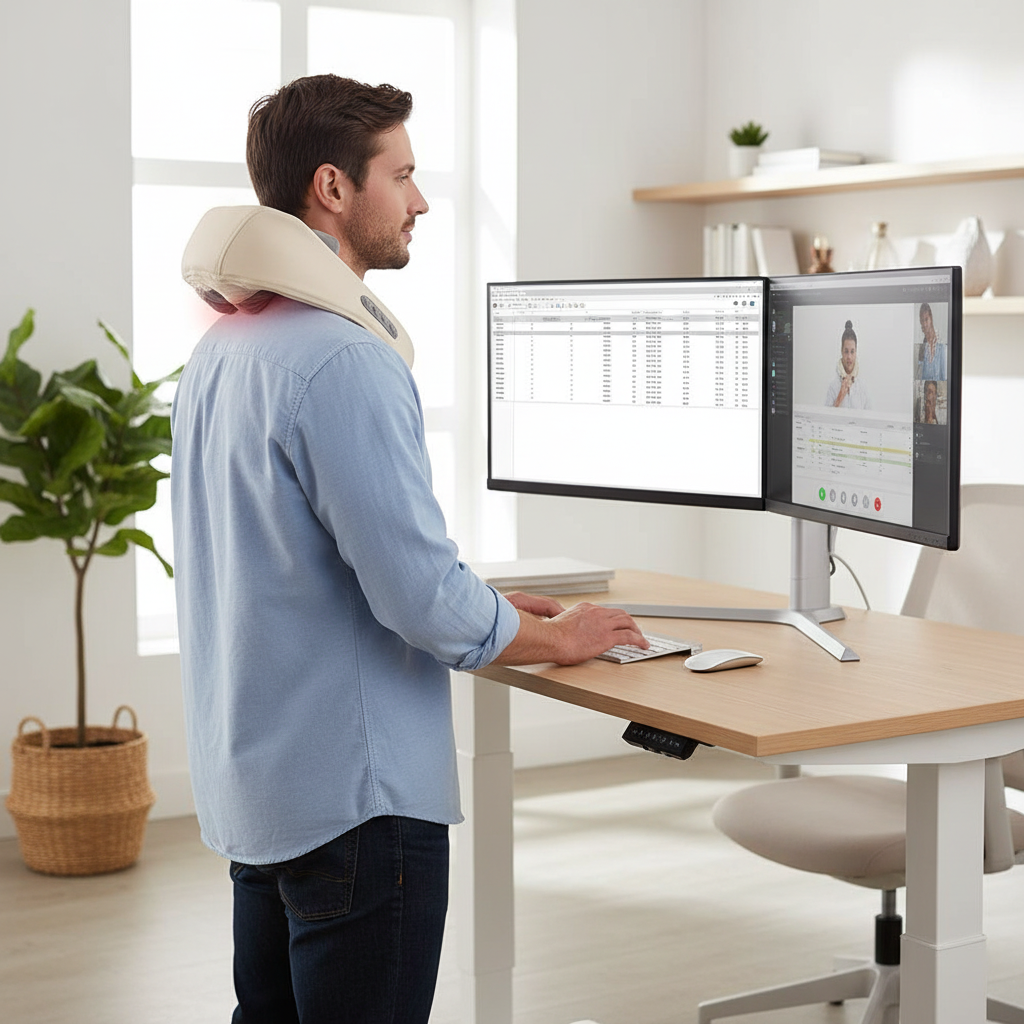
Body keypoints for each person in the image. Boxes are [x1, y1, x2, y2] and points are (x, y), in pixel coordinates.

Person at [170, 75, 647, 1024]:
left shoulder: (225, 348)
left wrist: (501, 609)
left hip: (263, 787)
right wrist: (560, 637)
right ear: (333, 190)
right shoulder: (343, 357)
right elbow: (417, 594)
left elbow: (307, 556)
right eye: (405, 174)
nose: (422, 201)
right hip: (358, 800)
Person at [825, 319, 870, 409]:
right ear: (841, 351)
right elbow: (825, 421)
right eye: (846, 351)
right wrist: (839, 397)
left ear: (856, 352)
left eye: (852, 352)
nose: (849, 356)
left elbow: (869, 420)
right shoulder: (833, 386)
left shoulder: (863, 387)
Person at [918, 302, 946, 381]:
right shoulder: (921, 345)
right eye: (922, 320)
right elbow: (919, 376)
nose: (924, 324)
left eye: (926, 319)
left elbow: (944, 376)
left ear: (931, 318)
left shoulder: (941, 341)